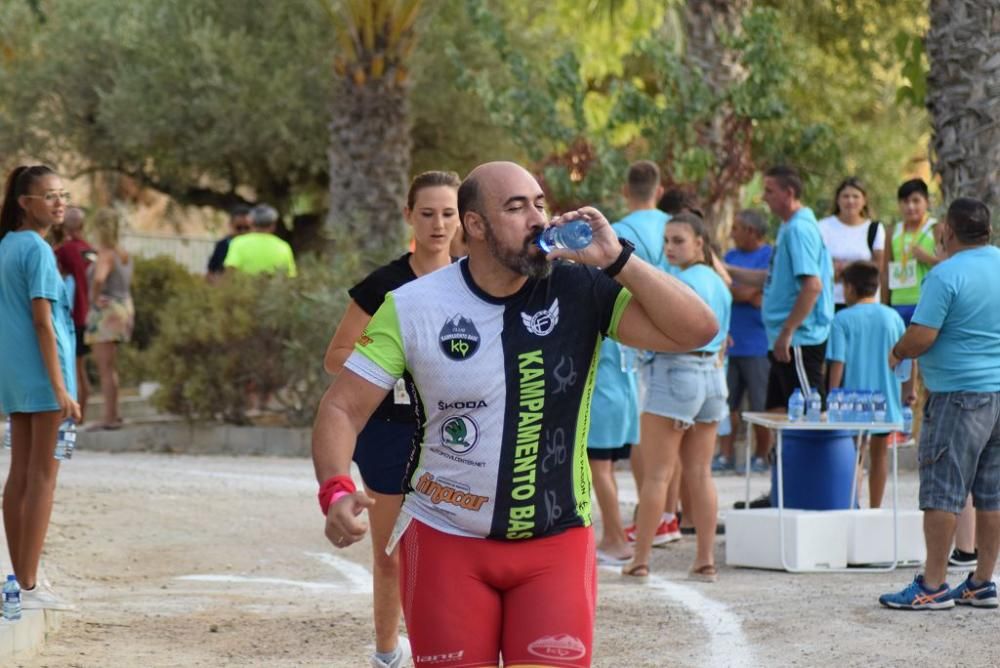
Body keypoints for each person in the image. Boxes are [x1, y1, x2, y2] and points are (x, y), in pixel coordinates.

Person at [313, 161, 717, 667]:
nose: (537, 218)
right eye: (516, 206)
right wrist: (335, 488)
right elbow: (341, 406)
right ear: (476, 225)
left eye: (540, 203)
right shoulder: (413, 305)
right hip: (445, 540)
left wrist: (617, 259)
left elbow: (698, 330)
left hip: (556, 543)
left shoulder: (581, 290)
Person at [322, 170, 461, 668]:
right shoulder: (383, 286)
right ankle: (387, 654)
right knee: (391, 550)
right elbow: (335, 356)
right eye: (427, 213)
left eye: (448, 213)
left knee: (453, 552)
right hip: (387, 433)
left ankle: (447, 650)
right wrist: (392, 361)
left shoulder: (472, 280)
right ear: (409, 216)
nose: (438, 224)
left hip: (455, 433)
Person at [880, 197, 1000, 610]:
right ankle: (983, 581)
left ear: (947, 231)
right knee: (993, 493)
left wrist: (897, 350)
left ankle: (932, 586)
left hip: (958, 397)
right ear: (987, 230)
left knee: (943, 491)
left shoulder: (944, 275)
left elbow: (922, 336)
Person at [624, 212, 731, 581]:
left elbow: (659, 329)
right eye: (666, 240)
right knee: (700, 473)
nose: (669, 247)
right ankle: (705, 559)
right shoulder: (719, 282)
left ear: (700, 244)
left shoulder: (678, 282)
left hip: (675, 375)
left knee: (657, 475)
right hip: (714, 378)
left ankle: (639, 560)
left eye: (678, 241)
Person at [725, 166, 834, 509]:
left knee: (808, 415)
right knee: (776, 412)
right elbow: (770, 279)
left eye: (770, 190)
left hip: (800, 340)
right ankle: (782, 491)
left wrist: (788, 331)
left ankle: (816, 492)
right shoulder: (789, 229)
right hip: (783, 340)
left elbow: (812, 285)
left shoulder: (801, 229)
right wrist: (723, 267)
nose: (765, 197)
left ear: (788, 193)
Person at [0, 165, 81, 610]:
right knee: (44, 477)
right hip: (46, 380)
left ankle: (19, 581)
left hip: (15, 379)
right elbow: (42, 322)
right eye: (49, 195)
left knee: (20, 477)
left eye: (63, 194)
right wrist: (62, 388)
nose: (59, 202)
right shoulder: (37, 250)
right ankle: (28, 586)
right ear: (24, 203)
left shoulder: (6, 246)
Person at [588, 160, 668, 565]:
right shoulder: (673, 227)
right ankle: (660, 520)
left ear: (625, 189)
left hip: (617, 364)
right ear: (660, 187)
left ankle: (617, 537)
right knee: (650, 452)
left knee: (599, 462)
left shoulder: (614, 231)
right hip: (642, 358)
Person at [826, 261, 909, 508]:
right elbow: (907, 357)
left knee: (854, 454)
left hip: (852, 403)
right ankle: (875, 508)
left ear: (850, 287)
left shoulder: (842, 319)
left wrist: (832, 396)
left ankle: (852, 504)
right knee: (880, 453)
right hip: (886, 397)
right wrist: (909, 391)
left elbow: (838, 363)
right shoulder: (892, 317)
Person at [715, 209, 773, 474]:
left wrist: (744, 291)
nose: (732, 233)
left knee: (761, 405)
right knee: (728, 404)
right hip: (731, 342)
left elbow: (764, 290)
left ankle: (762, 456)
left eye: (736, 227)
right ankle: (725, 456)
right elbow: (726, 289)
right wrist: (747, 293)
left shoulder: (769, 256)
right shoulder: (730, 257)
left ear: (751, 231)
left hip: (759, 344)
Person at [84, 208, 135, 430]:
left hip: (106, 312)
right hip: (123, 307)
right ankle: (114, 414)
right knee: (111, 367)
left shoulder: (105, 254)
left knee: (104, 367)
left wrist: (93, 299)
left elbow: (99, 279)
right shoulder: (123, 253)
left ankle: (109, 417)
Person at [818, 177, 885, 310]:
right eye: (845, 196)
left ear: (864, 200)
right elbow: (818, 262)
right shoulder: (823, 227)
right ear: (838, 200)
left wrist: (845, 267)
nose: (850, 201)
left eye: (855, 196)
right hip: (830, 300)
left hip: (865, 302)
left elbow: (878, 267)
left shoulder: (874, 228)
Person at [53, 207, 94, 424]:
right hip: (90, 316)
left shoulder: (63, 250)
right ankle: (82, 415)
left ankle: (76, 417)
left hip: (72, 316)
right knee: (81, 367)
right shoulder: (90, 250)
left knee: (73, 368)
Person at [885, 179, 942, 325]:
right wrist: (884, 305)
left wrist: (928, 258)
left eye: (916, 201)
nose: (910, 206)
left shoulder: (935, 229)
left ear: (927, 202)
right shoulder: (892, 232)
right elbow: (884, 271)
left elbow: (950, 266)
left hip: (926, 301)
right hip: (897, 302)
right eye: (905, 201)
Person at [223, 204, 297, 277]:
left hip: (246, 288)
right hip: (276, 288)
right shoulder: (284, 246)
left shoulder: (238, 243)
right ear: (273, 225)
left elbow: (230, 271)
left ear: (251, 222)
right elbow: (290, 276)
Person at [206, 205, 252, 280]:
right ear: (231, 225)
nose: (243, 231)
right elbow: (211, 271)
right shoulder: (223, 245)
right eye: (239, 228)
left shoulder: (257, 246)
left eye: (247, 228)